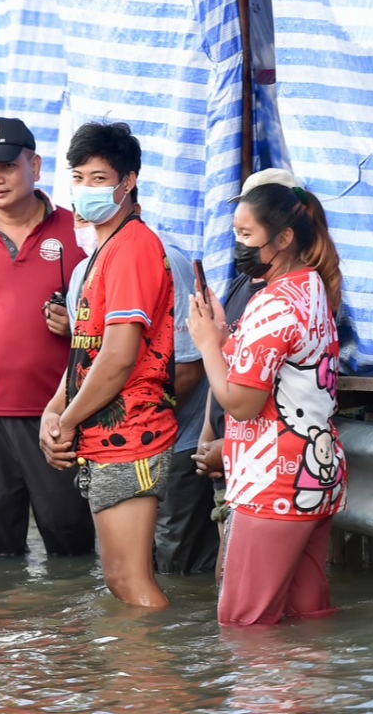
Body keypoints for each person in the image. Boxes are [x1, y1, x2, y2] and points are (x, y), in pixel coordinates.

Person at [187, 181, 346, 627]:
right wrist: (223, 338)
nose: (238, 246)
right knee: (307, 617)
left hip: (272, 484)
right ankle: (311, 697)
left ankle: (263, 701)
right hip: (315, 478)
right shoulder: (313, 287)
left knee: (245, 625)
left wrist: (205, 345)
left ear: (284, 238)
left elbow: (240, 403)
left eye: (246, 235)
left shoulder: (272, 303)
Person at [0, 117, 92, 558]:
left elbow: (111, 332)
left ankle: (72, 631)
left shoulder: (78, 233)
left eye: (5, 165)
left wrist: (78, 328)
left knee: (73, 551)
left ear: (36, 166)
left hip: (61, 416)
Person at [38, 121, 177, 609]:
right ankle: (136, 681)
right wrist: (54, 412)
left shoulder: (134, 245)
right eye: (78, 177)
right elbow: (86, 350)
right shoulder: (100, 250)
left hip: (132, 434)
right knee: (119, 580)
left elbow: (119, 358)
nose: (86, 189)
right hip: (102, 437)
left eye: (99, 178)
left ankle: (153, 682)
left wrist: (66, 421)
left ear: (129, 181)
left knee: (130, 581)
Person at [194, 169, 297, 582]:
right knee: (230, 578)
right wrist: (206, 430)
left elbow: (257, 398)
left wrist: (228, 447)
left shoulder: (283, 299)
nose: (241, 240)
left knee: (244, 593)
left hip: (263, 466)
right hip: (229, 453)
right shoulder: (243, 285)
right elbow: (225, 357)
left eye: (249, 230)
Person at [153, 246, 215, 575]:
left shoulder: (167, 262)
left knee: (182, 575)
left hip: (177, 443)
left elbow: (190, 371)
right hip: (118, 447)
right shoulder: (85, 268)